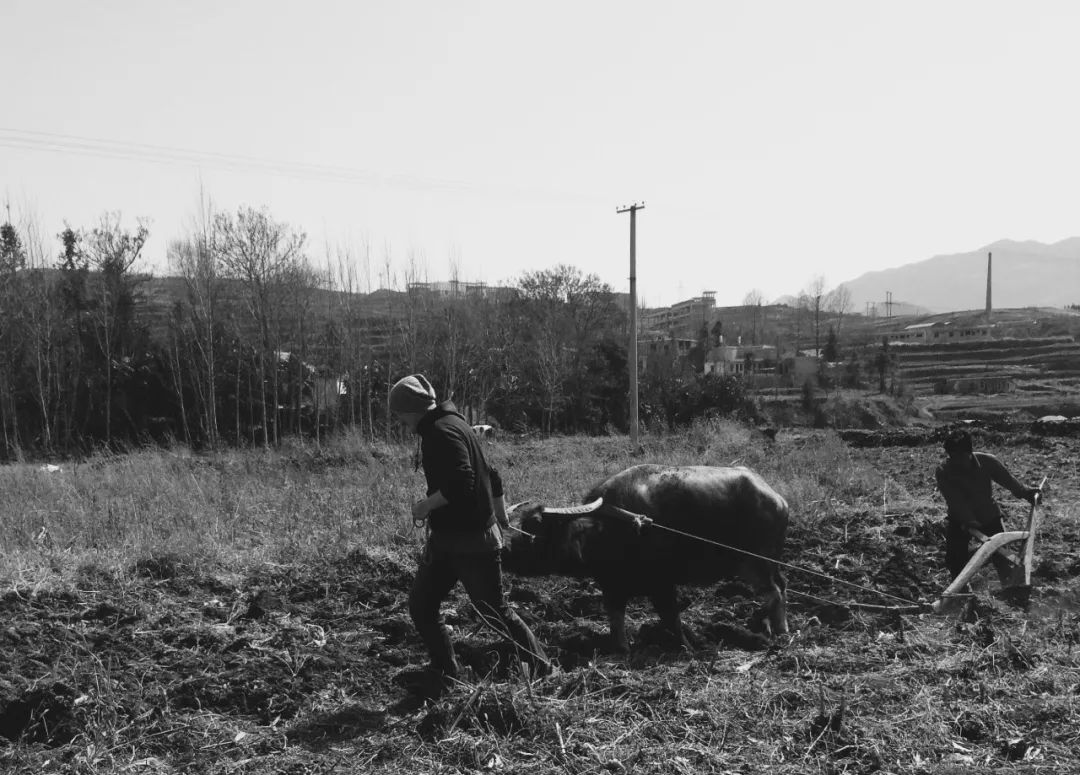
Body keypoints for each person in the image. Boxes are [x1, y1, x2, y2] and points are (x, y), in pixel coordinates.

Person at [389, 374, 550, 691]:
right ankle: (445, 672)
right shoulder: (455, 424)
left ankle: (545, 668)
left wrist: (425, 506)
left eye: (399, 414)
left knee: (494, 612)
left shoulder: (440, 432)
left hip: (472, 542)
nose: (399, 421)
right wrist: (501, 514)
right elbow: (491, 474)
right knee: (422, 605)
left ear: (411, 409)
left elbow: (463, 481)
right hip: (449, 542)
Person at [934, 429, 1041, 583]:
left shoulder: (988, 462)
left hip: (988, 514)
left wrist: (1027, 493)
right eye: (952, 456)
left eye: (960, 456)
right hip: (960, 520)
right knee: (954, 560)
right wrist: (968, 520)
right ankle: (960, 594)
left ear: (969, 452)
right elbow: (954, 500)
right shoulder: (944, 471)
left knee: (1002, 556)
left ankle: (1011, 588)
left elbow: (1009, 481)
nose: (956, 461)